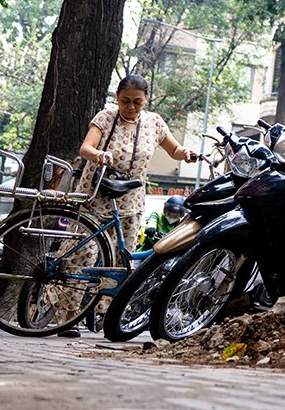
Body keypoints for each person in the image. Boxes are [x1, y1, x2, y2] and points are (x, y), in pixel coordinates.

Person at [55, 75, 197, 334]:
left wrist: (185, 154)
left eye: (137, 102)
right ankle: (67, 315)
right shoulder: (105, 118)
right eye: (125, 101)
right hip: (96, 194)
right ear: (117, 98)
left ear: (146, 100)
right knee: (82, 253)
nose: (131, 107)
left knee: (121, 258)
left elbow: (174, 150)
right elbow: (86, 148)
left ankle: (104, 313)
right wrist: (98, 155)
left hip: (131, 200)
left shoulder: (154, 123)